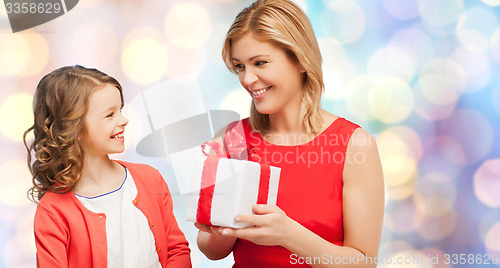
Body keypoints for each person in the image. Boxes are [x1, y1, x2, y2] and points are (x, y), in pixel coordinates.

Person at [194, 0, 384, 267]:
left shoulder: (354, 145)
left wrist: (288, 234)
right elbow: (211, 250)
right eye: (240, 66)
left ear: (301, 61)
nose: (247, 79)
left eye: (260, 63)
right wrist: (224, 229)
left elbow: (364, 262)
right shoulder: (233, 139)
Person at [24, 65, 191, 268]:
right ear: (71, 128)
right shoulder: (53, 211)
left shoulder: (149, 178)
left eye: (120, 109)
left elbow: (176, 250)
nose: (124, 120)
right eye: (109, 115)